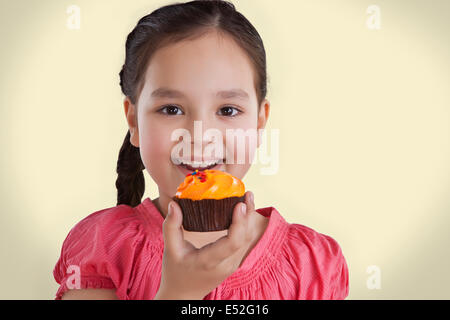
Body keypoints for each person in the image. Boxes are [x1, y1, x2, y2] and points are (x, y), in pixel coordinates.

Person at [53, 0, 349, 300]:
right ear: (134, 121)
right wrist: (178, 293)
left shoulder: (312, 264)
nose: (199, 136)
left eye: (228, 110)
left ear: (260, 121)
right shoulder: (103, 245)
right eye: (171, 109)